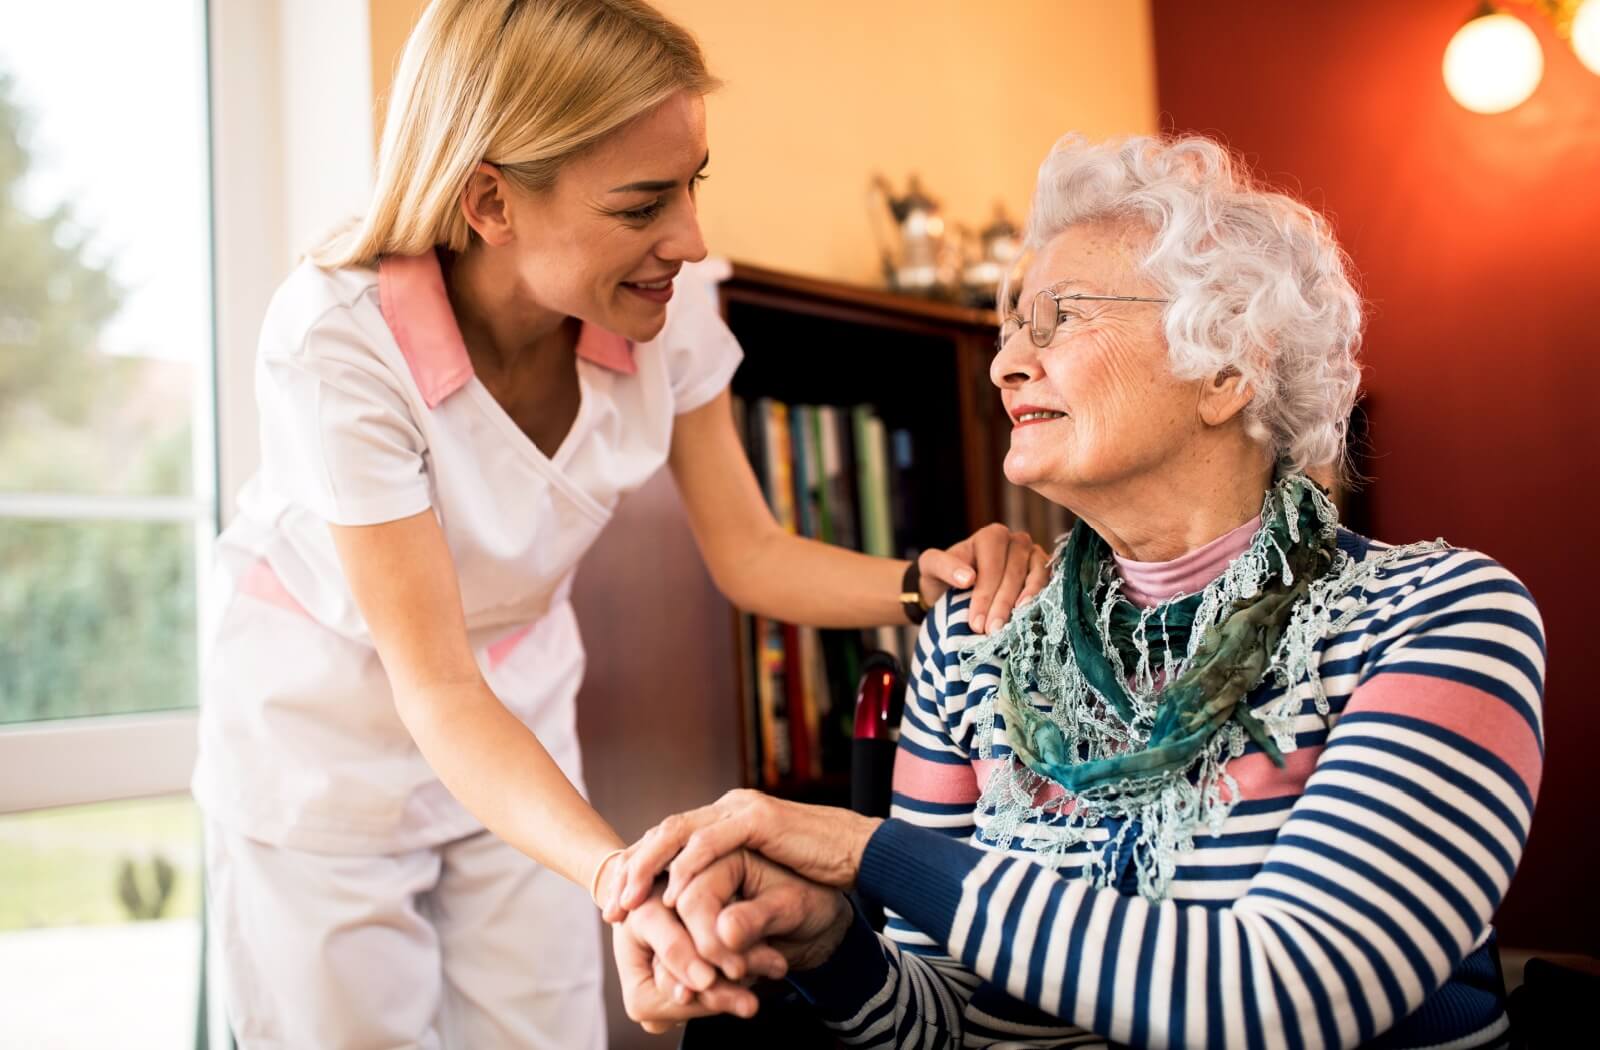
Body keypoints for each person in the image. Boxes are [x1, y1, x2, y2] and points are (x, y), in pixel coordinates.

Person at [190, 1, 1047, 1046]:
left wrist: (935, 580)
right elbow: (438, 690)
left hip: (517, 702)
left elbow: (751, 553)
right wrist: (618, 876)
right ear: (490, 200)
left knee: (542, 1030)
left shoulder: (659, 308)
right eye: (643, 204)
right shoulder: (339, 343)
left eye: (692, 184)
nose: (687, 239)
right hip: (328, 723)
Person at [608, 133, 1547, 1049]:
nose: (1006, 361)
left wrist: (867, 854)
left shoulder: (1439, 617)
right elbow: (937, 1021)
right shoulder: (977, 637)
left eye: (1060, 318)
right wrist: (832, 942)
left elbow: (1290, 994)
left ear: (1229, 367)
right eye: (1011, 324)